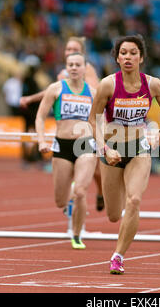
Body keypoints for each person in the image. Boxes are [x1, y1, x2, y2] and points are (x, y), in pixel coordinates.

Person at [88, 35, 160, 274]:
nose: (128, 57)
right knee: (114, 215)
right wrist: (104, 149)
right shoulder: (108, 85)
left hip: (138, 149)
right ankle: (117, 190)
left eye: (133, 53)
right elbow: (92, 120)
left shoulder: (154, 84)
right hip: (111, 151)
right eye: (123, 53)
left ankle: (118, 256)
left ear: (141, 57)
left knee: (134, 200)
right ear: (117, 58)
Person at [20, 36, 104, 211]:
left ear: (82, 53)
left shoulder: (87, 70)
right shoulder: (63, 74)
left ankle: (97, 193)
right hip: (64, 139)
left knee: (94, 172)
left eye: (74, 50)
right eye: (68, 50)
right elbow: (52, 91)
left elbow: (96, 94)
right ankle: (75, 193)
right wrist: (32, 98)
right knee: (61, 197)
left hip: (85, 134)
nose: (70, 53)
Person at [36, 52, 98, 250]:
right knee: (60, 201)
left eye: (77, 64)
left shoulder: (93, 93)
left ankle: (77, 235)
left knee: (81, 192)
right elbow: (39, 117)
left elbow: (100, 121)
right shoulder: (55, 89)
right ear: (65, 67)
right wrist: (41, 141)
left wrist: (103, 144)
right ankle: (71, 189)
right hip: (62, 145)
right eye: (70, 64)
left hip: (85, 145)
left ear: (84, 68)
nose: (73, 67)